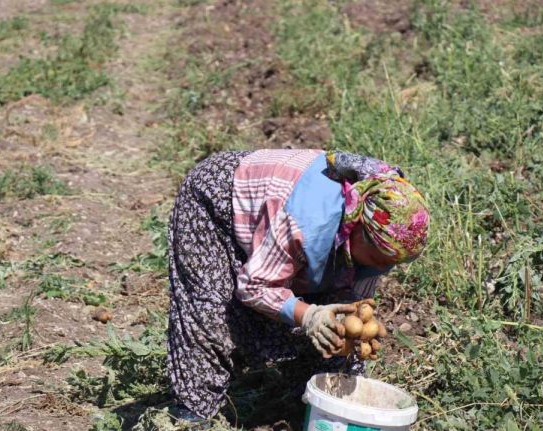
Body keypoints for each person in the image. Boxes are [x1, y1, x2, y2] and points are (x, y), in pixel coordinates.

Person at [166, 149, 429, 423]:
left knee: (335, 332)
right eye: (378, 257)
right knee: (210, 311)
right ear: (357, 226)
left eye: (392, 263)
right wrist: (309, 315)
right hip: (217, 200)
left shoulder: (379, 233)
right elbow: (255, 286)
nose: (382, 267)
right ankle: (193, 415)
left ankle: (303, 407)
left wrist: (354, 328)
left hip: (284, 214)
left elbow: (352, 301)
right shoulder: (307, 223)